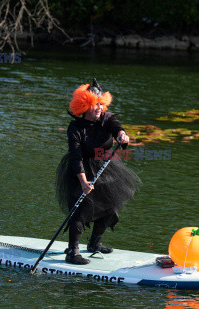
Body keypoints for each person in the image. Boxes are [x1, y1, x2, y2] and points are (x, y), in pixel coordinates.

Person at [56, 79, 141, 265]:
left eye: (101, 104)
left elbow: (117, 128)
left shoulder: (107, 118)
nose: (99, 108)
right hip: (81, 170)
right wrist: (83, 182)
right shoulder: (75, 129)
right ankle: (72, 251)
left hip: (105, 167)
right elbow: (76, 157)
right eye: (95, 105)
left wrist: (122, 135)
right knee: (81, 210)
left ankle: (94, 243)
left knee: (111, 206)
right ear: (84, 106)